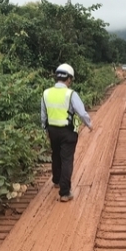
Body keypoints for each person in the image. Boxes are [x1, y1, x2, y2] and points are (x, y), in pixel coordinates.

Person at [41, 63, 93, 202]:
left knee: (56, 155)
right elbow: (81, 112)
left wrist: (45, 130)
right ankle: (65, 192)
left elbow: (43, 115)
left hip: (52, 130)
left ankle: (56, 181)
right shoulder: (71, 94)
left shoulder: (46, 93)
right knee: (67, 159)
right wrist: (89, 125)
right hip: (67, 131)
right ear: (69, 79)